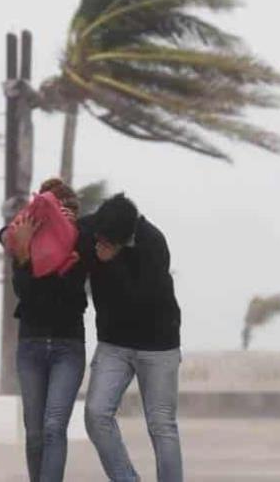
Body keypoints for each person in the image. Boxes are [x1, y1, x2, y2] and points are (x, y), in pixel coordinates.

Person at [79, 193, 183, 482]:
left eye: (107, 242)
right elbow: (64, 231)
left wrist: (112, 261)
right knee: (96, 414)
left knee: (162, 425)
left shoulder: (154, 243)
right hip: (114, 344)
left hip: (158, 345)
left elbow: (141, 300)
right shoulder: (98, 227)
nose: (98, 243)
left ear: (124, 239)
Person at [0, 178, 87, 482]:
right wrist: (24, 254)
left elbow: (74, 298)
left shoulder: (80, 246)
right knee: (34, 431)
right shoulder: (25, 245)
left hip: (68, 347)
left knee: (53, 427)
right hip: (31, 345)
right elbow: (25, 293)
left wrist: (67, 253)